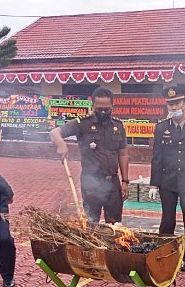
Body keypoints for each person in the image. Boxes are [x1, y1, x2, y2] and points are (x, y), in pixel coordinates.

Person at [50, 87, 129, 223]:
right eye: (99, 109)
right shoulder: (83, 123)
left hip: (113, 182)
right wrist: (61, 144)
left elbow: (123, 154)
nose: (103, 112)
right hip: (91, 182)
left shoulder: (118, 125)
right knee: (91, 223)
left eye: (107, 109)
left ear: (112, 107)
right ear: (93, 106)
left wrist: (125, 181)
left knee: (115, 224)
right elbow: (55, 132)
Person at [150, 86, 185, 272]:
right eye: (170, 104)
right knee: (167, 220)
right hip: (168, 181)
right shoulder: (161, 128)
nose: (174, 107)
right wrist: (154, 184)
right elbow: (157, 156)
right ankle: (164, 253)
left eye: (177, 103)